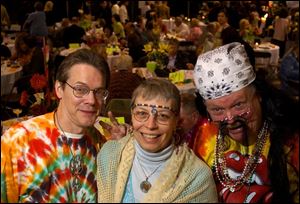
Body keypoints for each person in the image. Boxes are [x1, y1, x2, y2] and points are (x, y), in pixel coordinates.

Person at [1, 49, 121, 202]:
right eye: (80, 89)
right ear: (59, 89)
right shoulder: (19, 141)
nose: (91, 100)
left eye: (98, 92)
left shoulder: (102, 145)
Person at [193, 42, 299, 203]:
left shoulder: (292, 141)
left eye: (238, 105)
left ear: (259, 96)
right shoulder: (205, 134)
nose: (230, 118)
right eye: (217, 110)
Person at [96, 78, 218, 203]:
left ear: (176, 121)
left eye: (163, 116)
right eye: (142, 114)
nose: (150, 125)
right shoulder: (109, 155)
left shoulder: (197, 177)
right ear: (132, 115)